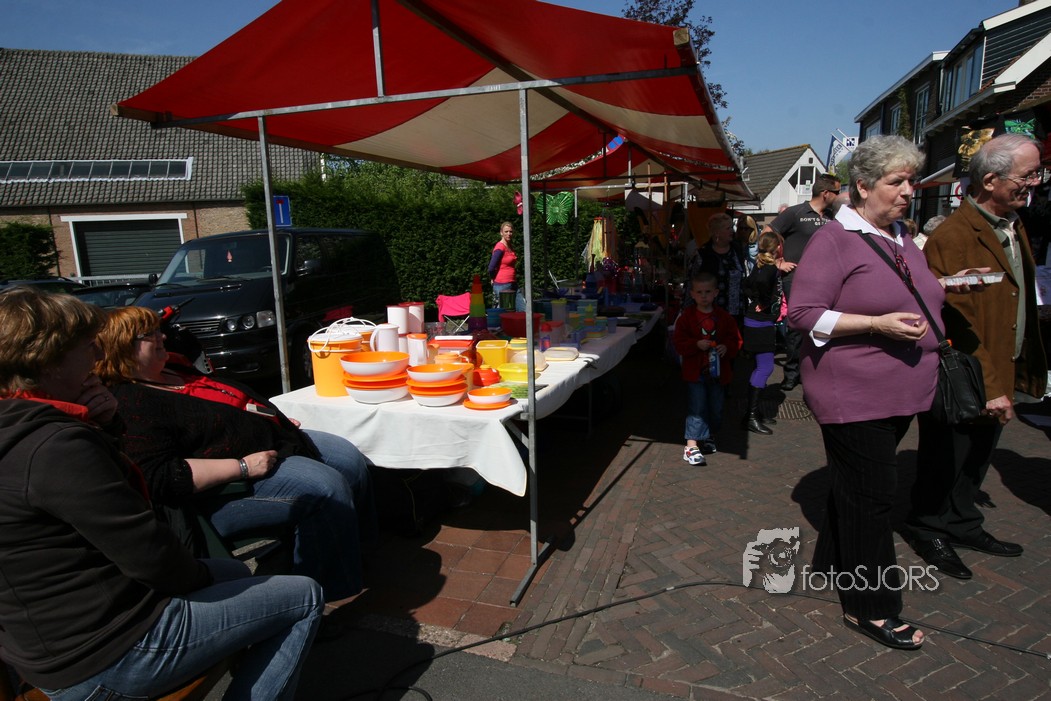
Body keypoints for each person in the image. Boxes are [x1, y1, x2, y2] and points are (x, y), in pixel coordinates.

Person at [0, 286, 322, 699]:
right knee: (303, 595)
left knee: (236, 573)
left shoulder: (23, 427)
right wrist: (200, 578)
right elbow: (149, 554)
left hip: (47, 640)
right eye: (87, 346)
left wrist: (108, 426)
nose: (97, 356)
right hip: (109, 652)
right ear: (46, 360)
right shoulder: (56, 447)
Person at [94, 306, 378, 603]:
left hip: (273, 441)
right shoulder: (132, 403)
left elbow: (231, 405)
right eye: (149, 334)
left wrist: (274, 420)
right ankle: (323, 593)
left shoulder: (174, 370)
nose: (161, 336)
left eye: (158, 330)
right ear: (122, 347)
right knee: (325, 487)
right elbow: (160, 475)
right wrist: (242, 466)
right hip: (226, 489)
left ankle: (355, 553)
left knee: (347, 458)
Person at [788, 135, 949, 650]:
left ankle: (835, 561)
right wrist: (876, 324)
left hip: (900, 391)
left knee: (856, 488)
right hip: (853, 391)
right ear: (862, 186)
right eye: (896, 182)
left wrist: (952, 286)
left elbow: (910, 291)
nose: (908, 191)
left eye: (911, 181)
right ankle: (870, 607)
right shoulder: (835, 240)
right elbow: (803, 314)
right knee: (874, 498)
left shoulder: (900, 237)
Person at [907, 133, 1048, 580]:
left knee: (978, 456)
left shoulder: (1011, 223)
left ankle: (963, 522)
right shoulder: (953, 235)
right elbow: (954, 320)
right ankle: (927, 526)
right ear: (990, 180)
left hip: (998, 367)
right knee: (945, 455)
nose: (1036, 182)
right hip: (966, 376)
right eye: (1028, 175)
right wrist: (989, 385)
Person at [764, 172, 843, 391]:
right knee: (797, 326)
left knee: (822, 325)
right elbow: (767, 233)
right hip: (797, 278)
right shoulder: (795, 212)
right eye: (837, 192)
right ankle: (792, 374)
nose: (839, 196)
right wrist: (777, 262)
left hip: (826, 280)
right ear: (826, 193)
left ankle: (814, 372)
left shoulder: (833, 216)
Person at [672, 272, 742, 465]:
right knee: (697, 407)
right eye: (699, 292)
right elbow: (679, 343)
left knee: (716, 408)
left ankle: (708, 434)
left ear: (716, 293)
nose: (704, 296)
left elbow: (735, 340)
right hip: (696, 373)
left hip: (718, 373)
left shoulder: (724, 318)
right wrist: (695, 344)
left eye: (708, 292)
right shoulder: (687, 317)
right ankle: (691, 445)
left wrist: (726, 347)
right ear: (692, 294)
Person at [741, 231, 786, 435]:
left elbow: (746, 284)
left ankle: (754, 413)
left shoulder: (762, 266)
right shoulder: (768, 269)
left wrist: (757, 298)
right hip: (759, 323)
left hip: (758, 321)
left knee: (760, 367)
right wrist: (763, 301)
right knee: (765, 368)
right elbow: (754, 284)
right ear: (777, 247)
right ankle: (751, 416)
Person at [695, 213, 746, 322]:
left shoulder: (737, 250)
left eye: (732, 227)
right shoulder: (703, 254)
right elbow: (692, 282)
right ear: (717, 232)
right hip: (710, 315)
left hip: (737, 315)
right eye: (728, 228)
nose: (732, 231)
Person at [488, 221, 517, 306]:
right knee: (503, 310)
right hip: (502, 285)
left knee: (522, 308)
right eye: (506, 231)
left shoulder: (509, 246)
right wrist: (493, 277)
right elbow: (491, 267)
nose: (509, 234)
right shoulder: (500, 247)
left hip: (513, 283)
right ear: (501, 233)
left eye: (510, 231)